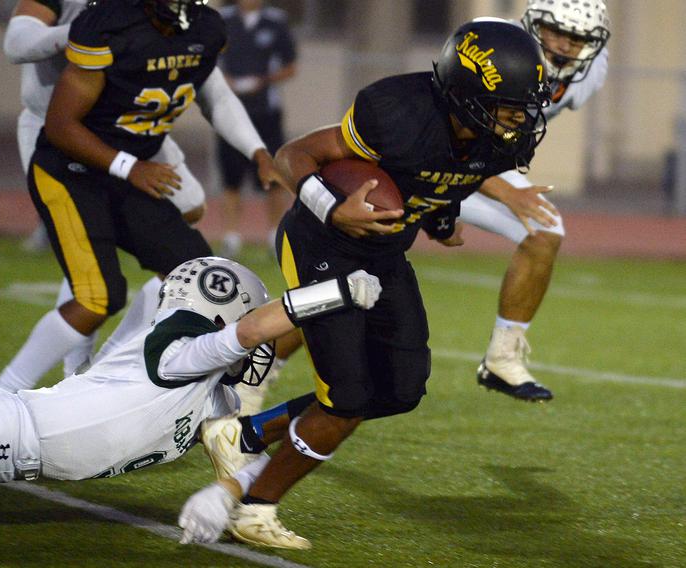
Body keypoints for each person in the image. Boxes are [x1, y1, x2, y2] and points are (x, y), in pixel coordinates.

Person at [175, 18, 552, 549]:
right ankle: (254, 506)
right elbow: (293, 157)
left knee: (400, 389)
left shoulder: (492, 137)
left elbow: (443, 175)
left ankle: (245, 433)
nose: (522, 120)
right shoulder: (396, 112)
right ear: (466, 95)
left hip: (382, 255)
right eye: (511, 107)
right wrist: (333, 210)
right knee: (347, 400)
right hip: (322, 245)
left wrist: (438, 220)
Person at [0, 257, 382, 525]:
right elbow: (252, 330)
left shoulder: (213, 401)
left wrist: (356, 399)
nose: (254, 351)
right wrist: (334, 294)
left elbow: (270, 425)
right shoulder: (178, 356)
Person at [0, 0, 289, 393]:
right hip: (73, 164)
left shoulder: (206, 29)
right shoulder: (108, 26)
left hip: (135, 155)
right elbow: (60, 123)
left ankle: (120, 376)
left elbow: (215, 95)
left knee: (199, 277)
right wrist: (130, 168)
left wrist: (258, 152)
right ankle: (5, 392)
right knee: (97, 294)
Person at [469, 0, 610, 401]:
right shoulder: (493, 49)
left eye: (578, 37)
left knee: (544, 227)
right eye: (557, 32)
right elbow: (444, 140)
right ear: (533, 25)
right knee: (354, 276)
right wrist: (504, 192)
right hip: (424, 163)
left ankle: (502, 357)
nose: (566, 46)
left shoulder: (590, 70)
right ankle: (274, 357)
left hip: (483, 166)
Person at [216, 0, 297, 258]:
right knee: (231, 177)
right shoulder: (222, 20)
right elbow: (209, 59)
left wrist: (262, 81)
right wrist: (225, 80)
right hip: (230, 111)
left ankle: (275, 234)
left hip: (266, 113)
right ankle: (231, 236)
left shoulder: (276, 21)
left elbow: (290, 66)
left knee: (273, 175)